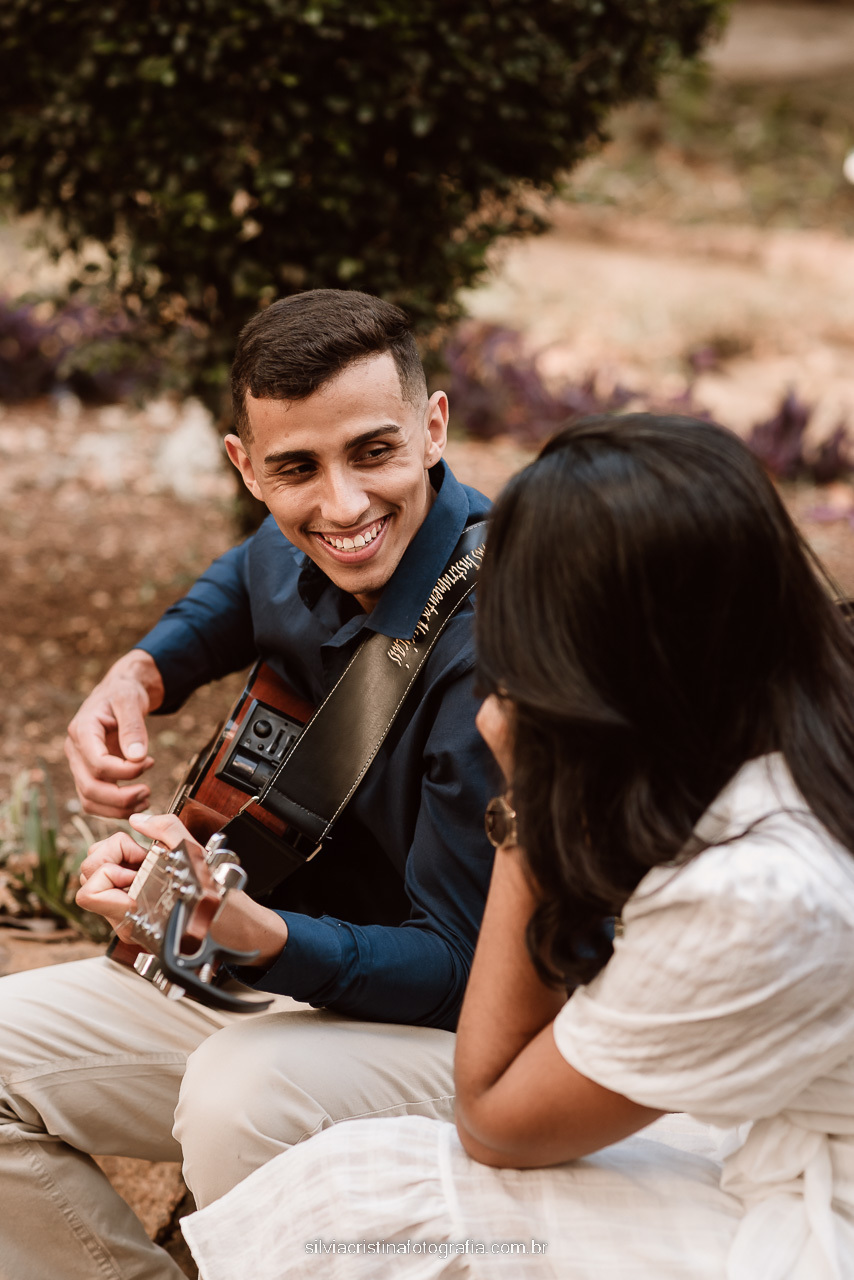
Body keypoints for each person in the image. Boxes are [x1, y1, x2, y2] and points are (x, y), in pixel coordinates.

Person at [182, 413, 854, 1280]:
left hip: (817, 1217)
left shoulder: (757, 891)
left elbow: (495, 1118)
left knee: (351, 1209)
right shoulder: (801, 705)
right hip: (773, 1111)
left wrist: (531, 807)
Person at [0, 290, 497, 1280]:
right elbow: (247, 575)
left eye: (373, 452)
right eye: (295, 469)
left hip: (454, 1030)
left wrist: (252, 936)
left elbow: (459, 971)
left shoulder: (499, 637)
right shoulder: (295, 537)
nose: (343, 506)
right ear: (246, 466)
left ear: (432, 426)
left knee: (241, 1089)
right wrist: (141, 672)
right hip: (275, 965)